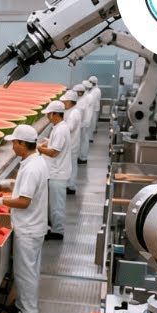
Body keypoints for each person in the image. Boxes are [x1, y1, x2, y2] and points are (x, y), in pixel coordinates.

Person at [0, 125, 49, 313]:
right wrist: (12, 186)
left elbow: (24, 201)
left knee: (25, 273)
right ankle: (22, 304)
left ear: (21, 143)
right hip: (33, 225)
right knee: (28, 270)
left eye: (14, 143)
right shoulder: (35, 161)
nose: (12, 146)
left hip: (28, 228)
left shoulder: (32, 167)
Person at [36, 101, 72, 241]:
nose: (48, 117)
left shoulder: (61, 129)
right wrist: (44, 143)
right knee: (54, 203)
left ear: (55, 114)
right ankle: (54, 226)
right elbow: (52, 143)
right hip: (55, 172)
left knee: (57, 205)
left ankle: (58, 231)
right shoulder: (59, 127)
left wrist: (38, 149)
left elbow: (53, 152)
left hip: (58, 173)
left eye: (49, 114)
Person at [66, 85, 88, 194]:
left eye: (66, 101)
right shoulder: (74, 111)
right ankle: (70, 185)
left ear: (70, 102)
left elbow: (69, 128)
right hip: (74, 143)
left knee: (71, 165)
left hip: (72, 144)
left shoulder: (74, 113)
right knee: (72, 165)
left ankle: (70, 186)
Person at [80, 75, 100, 163]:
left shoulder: (92, 93)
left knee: (85, 137)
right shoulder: (91, 93)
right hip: (89, 116)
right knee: (86, 136)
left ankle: (83, 157)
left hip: (87, 118)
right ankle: (83, 156)